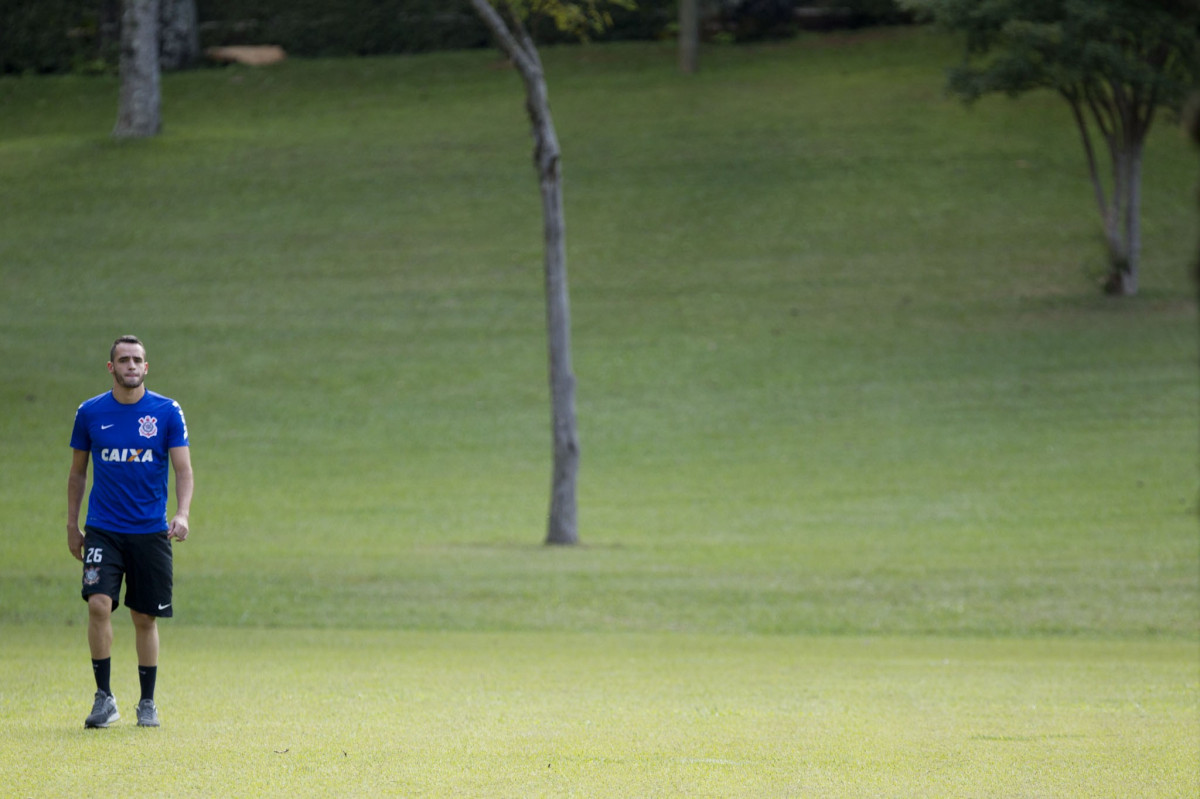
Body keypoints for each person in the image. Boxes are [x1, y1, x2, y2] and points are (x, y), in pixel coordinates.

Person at [67, 335, 193, 729]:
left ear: (146, 367)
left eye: (137, 359)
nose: (131, 366)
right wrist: (72, 524)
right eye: (124, 360)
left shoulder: (167, 412)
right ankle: (104, 698)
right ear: (111, 368)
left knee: (144, 617)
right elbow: (77, 473)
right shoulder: (89, 413)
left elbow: (183, 469)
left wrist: (183, 513)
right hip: (103, 529)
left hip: (150, 532)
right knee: (98, 604)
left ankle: (147, 702)